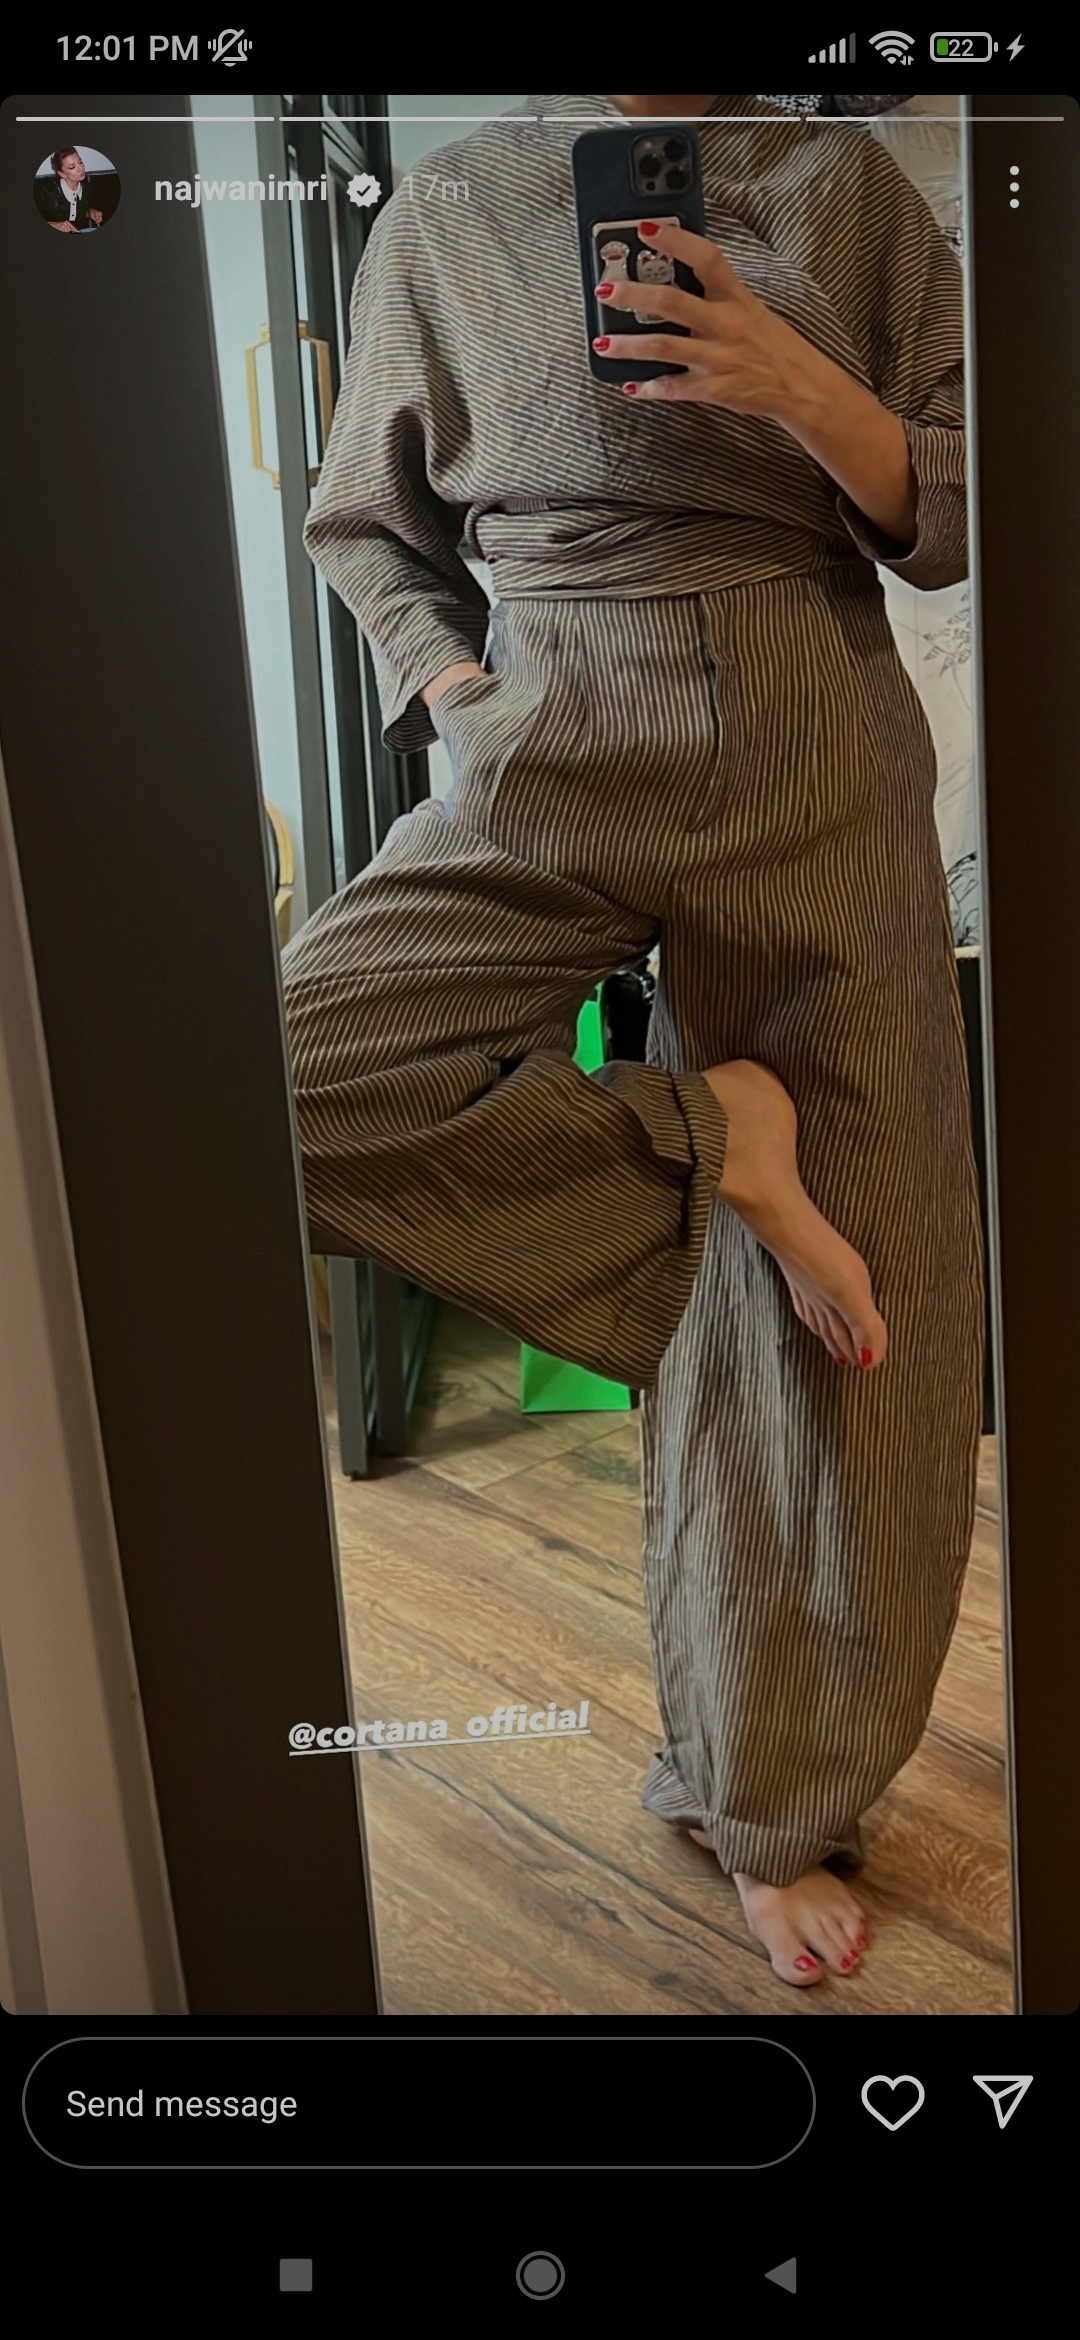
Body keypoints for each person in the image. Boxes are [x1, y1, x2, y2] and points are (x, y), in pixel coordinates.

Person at [280, 94, 983, 1991]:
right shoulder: (453, 204)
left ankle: (774, 1799)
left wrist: (795, 385)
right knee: (281, 1091)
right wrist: (452, 681)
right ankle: (714, 1140)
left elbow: (955, 514)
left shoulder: (846, 187)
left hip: (812, 721)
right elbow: (364, 517)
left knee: (876, 1317)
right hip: (555, 713)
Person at [36, 148, 103, 231]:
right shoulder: (47, 193)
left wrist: (91, 212)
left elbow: (79, 212)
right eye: (72, 167)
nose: (81, 168)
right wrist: (52, 224)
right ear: (62, 173)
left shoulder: (88, 189)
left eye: (80, 162)